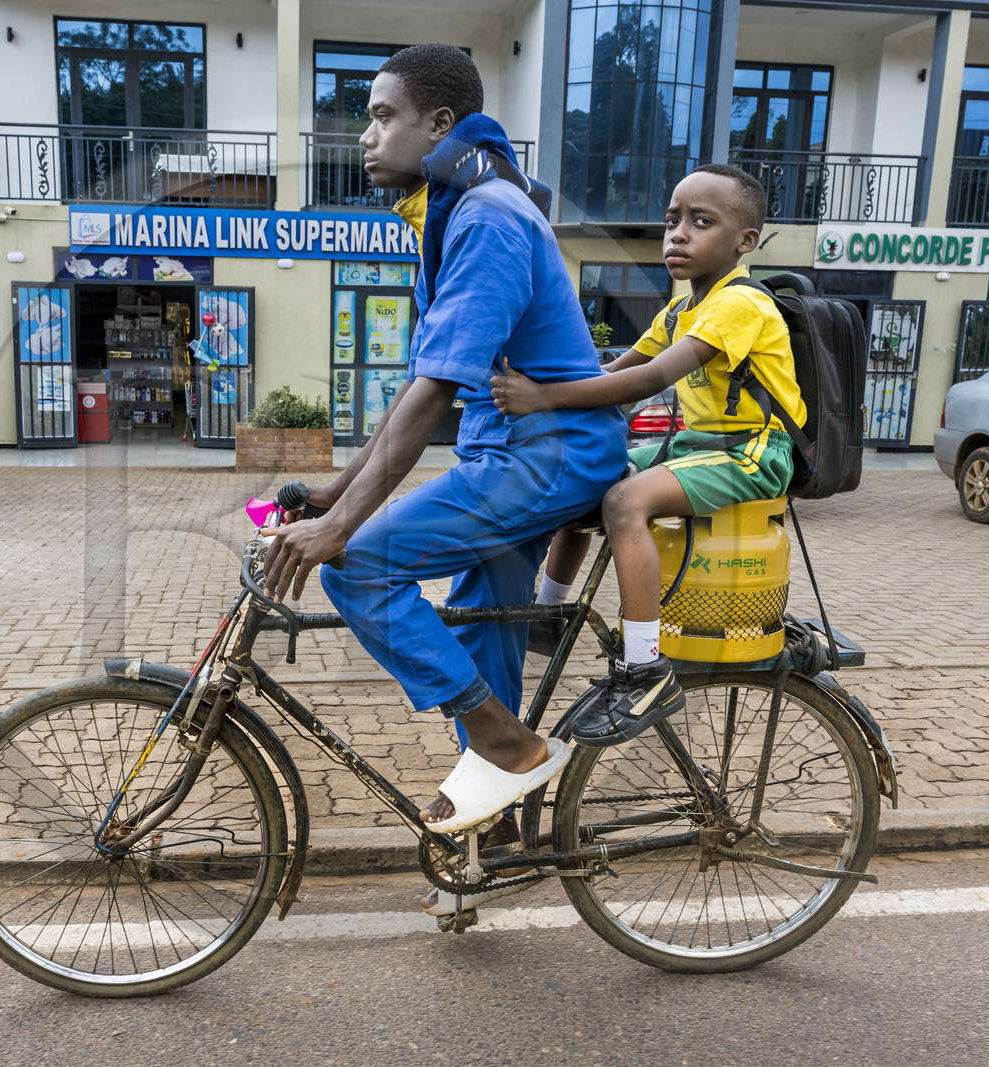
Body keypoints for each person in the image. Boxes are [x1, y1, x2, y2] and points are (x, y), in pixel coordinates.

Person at [259, 45, 628, 903]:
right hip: (516, 454)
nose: (365, 133)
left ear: (440, 124)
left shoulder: (489, 217)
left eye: (383, 115)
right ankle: (492, 830)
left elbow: (434, 392)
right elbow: (423, 384)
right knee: (478, 619)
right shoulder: (463, 208)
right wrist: (336, 489)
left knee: (359, 564)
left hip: (550, 459)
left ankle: (507, 742)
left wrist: (340, 527)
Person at [489, 163, 806, 746]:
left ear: (745, 242)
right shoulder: (681, 309)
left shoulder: (741, 305)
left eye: (701, 221)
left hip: (754, 451)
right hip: (701, 446)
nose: (678, 234)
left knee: (625, 502)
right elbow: (612, 371)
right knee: (585, 474)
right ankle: (549, 618)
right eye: (672, 220)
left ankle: (644, 669)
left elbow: (650, 378)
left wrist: (541, 398)